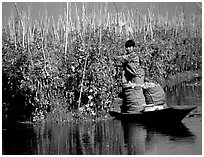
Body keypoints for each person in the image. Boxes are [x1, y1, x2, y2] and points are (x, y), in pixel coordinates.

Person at [117, 40, 146, 113]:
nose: (128, 49)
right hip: (132, 76)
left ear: (133, 47)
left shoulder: (133, 55)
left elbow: (123, 58)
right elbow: (124, 68)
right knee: (133, 93)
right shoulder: (128, 55)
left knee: (138, 92)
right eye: (127, 47)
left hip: (138, 75)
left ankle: (141, 109)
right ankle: (134, 109)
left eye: (130, 47)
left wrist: (112, 57)